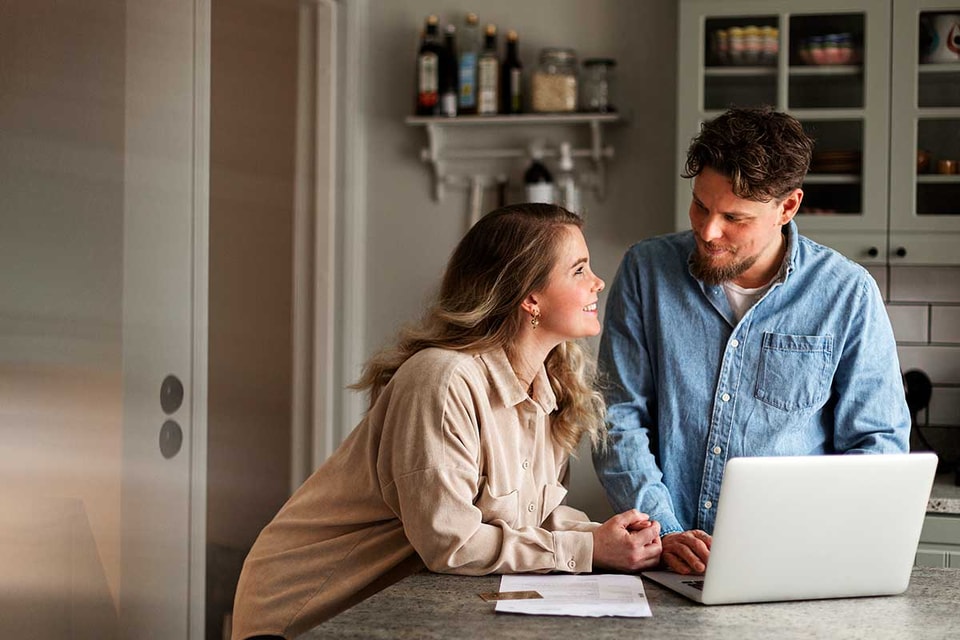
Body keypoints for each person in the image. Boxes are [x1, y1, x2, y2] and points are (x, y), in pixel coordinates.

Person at [231, 203, 662, 640]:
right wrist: (588, 549)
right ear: (530, 298)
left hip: (392, 609)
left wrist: (626, 541)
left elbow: (529, 517)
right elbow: (450, 543)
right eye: (579, 270)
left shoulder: (545, 388)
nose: (598, 282)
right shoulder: (441, 380)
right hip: (307, 613)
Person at [593, 106, 910, 577]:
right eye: (701, 204)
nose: (708, 230)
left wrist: (801, 539)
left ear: (787, 207)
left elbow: (877, 444)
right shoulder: (646, 271)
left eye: (734, 217)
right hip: (663, 564)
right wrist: (664, 530)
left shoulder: (847, 293)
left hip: (789, 566)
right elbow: (616, 417)